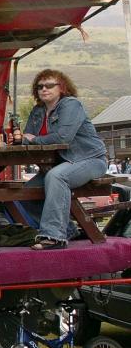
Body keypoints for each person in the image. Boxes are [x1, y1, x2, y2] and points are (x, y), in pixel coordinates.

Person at [22, 69, 108, 250]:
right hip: (62, 163)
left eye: (49, 85)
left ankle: (54, 237)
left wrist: (34, 139)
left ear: (62, 87)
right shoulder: (38, 111)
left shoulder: (71, 105)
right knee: (26, 193)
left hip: (90, 159)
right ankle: (69, 231)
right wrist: (25, 138)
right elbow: (25, 137)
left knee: (56, 177)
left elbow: (63, 137)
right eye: (40, 86)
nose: (44, 89)